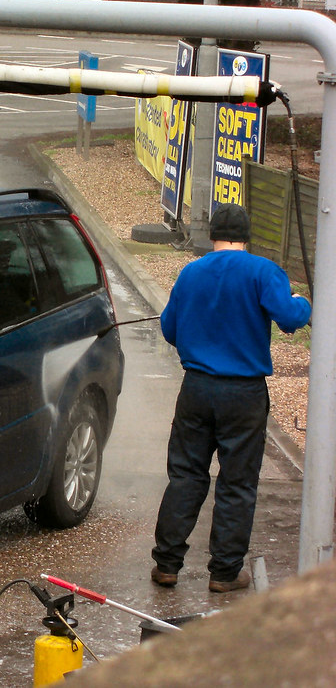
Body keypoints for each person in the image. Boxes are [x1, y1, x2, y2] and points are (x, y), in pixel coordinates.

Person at [151, 203, 312, 592]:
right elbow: (290, 318)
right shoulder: (262, 271)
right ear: (246, 235)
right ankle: (223, 573)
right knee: (237, 483)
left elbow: (170, 330)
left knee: (186, 475)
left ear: (212, 234)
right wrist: (302, 301)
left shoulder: (190, 272)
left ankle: (167, 565)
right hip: (243, 393)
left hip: (196, 388)